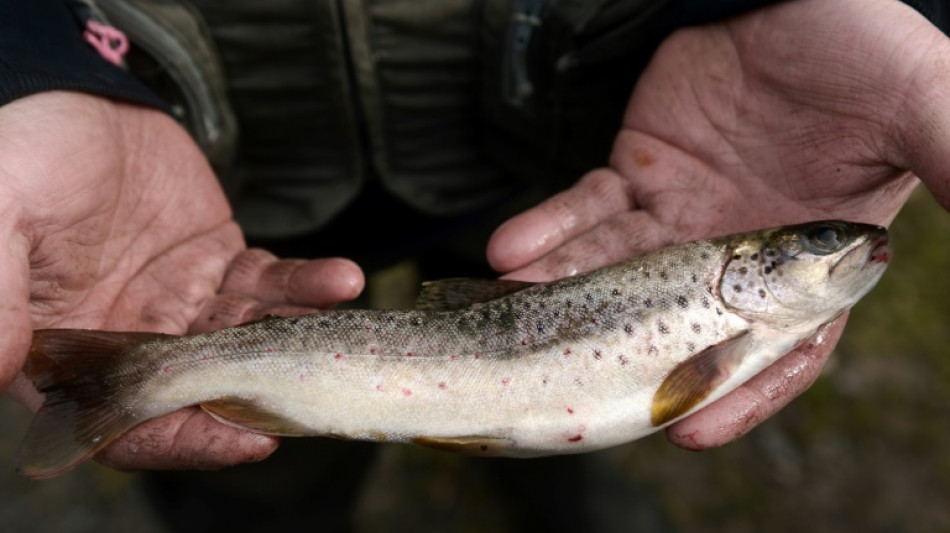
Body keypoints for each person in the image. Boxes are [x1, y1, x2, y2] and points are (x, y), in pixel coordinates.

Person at [0, 0, 947, 512]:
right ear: (748, 275)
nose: (845, 251)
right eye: (813, 246)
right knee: (259, 477)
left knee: (539, 430)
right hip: (219, 178)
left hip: (555, 158)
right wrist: (33, 57)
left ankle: (545, 488)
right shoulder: (726, 324)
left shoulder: (723, 299)